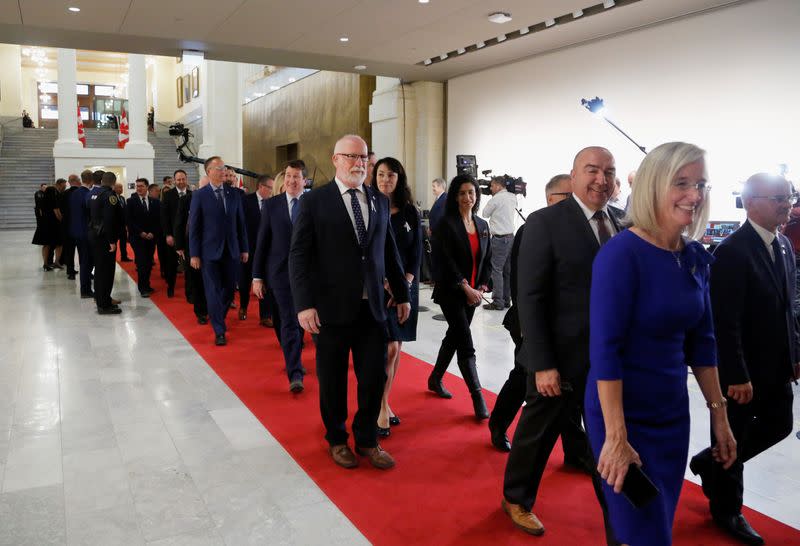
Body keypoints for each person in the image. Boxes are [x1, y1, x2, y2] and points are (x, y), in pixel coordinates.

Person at [587, 142, 737, 546]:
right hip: (621, 417)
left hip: (672, 415)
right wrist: (616, 438)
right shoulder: (621, 255)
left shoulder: (694, 257)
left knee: (657, 524)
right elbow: (606, 352)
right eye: (682, 183)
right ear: (654, 185)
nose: (695, 194)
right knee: (644, 533)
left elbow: (703, 344)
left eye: (701, 183)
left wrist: (719, 417)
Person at [501, 147, 621, 539]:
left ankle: (619, 515)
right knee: (538, 432)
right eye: (592, 171)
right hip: (560, 357)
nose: (600, 179)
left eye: (608, 172)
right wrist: (541, 363)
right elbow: (530, 297)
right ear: (573, 176)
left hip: (611, 361)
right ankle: (516, 497)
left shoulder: (623, 223)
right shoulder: (545, 223)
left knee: (610, 435)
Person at [690, 172, 800, 546]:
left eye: (789, 197)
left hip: (776, 366)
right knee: (733, 436)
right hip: (741, 373)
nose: (787, 204)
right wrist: (736, 374)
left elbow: (788, 309)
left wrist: (795, 352)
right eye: (778, 198)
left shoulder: (783, 244)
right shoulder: (733, 251)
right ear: (751, 202)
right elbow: (725, 323)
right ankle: (726, 511)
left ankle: (709, 462)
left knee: (779, 425)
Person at [289, 134, 410, 470]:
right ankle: (337, 439)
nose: (359, 163)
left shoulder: (379, 200)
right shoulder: (315, 202)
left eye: (364, 157)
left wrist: (401, 294)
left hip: (372, 309)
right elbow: (298, 255)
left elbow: (389, 252)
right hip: (330, 309)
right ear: (335, 160)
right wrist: (303, 304)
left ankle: (368, 439)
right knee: (333, 379)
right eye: (352, 157)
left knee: (373, 378)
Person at [489, 174, 594, 472]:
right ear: (551, 198)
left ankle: (576, 452)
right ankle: (498, 424)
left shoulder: (582, 230)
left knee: (568, 393)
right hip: (530, 327)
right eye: (567, 197)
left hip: (567, 335)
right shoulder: (535, 227)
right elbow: (523, 286)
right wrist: (528, 332)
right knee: (523, 380)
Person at [427, 174, 492, 419]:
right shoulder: (446, 224)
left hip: (474, 293)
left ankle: (435, 378)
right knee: (465, 340)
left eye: (472, 193)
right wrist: (464, 286)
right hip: (452, 291)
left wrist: (482, 286)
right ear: (455, 196)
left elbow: (486, 259)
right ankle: (477, 397)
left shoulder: (483, 225)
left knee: (454, 335)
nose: (468, 197)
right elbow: (444, 261)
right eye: (463, 193)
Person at [373, 156, 422, 436]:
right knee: (387, 349)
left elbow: (416, 253)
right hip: (380, 288)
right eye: (380, 175)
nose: (385, 180)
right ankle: (380, 405)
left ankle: (385, 401)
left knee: (397, 347)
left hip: (405, 288)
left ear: (399, 178)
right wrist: (386, 283)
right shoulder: (369, 208)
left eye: (391, 175)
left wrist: (404, 284)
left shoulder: (409, 211)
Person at [253, 162, 308, 392]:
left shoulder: (313, 204)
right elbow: (262, 242)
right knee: (288, 321)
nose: (291, 181)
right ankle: (294, 372)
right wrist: (257, 276)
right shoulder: (271, 205)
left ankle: (292, 353)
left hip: (307, 274)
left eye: (296, 177)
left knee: (301, 321)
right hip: (279, 273)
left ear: (304, 181)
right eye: (288, 176)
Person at [189, 156, 249, 346]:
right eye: (219, 168)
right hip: (209, 253)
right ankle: (219, 330)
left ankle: (217, 316)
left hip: (231, 250)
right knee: (213, 290)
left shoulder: (234, 194)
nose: (224, 170)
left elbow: (241, 224)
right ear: (209, 172)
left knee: (230, 290)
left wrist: (244, 248)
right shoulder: (200, 195)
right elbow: (195, 227)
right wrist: (194, 254)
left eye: (224, 167)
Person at [88, 171, 124, 314]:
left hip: (95, 235)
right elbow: (109, 220)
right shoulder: (110, 196)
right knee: (106, 271)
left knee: (99, 270)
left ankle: (102, 298)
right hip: (104, 238)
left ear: (102, 181)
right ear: (113, 182)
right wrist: (111, 241)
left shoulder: (94, 194)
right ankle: (104, 305)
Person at [240, 174, 274, 325]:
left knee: (264, 280)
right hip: (249, 249)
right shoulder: (246, 201)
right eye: (270, 188)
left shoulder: (273, 203)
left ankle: (265, 315)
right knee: (245, 280)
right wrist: (243, 248)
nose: (272, 192)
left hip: (267, 250)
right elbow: (240, 226)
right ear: (261, 187)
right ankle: (243, 306)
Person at [481, 176, 517, 310]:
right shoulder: (512, 197)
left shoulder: (496, 199)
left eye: (492, 186)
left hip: (500, 239)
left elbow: (485, 213)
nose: (490, 189)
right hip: (510, 237)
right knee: (507, 271)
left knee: (496, 270)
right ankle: (506, 300)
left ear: (497, 185)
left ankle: (497, 302)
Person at [175, 176, 207, 325]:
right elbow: (180, 223)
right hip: (193, 246)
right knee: (196, 279)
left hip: (213, 247)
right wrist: (179, 246)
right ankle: (200, 311)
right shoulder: (186, 200)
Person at [126, 178, 160, 298]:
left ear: (147, 187)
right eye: (137, 186)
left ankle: (147, 284)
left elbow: (158, 220)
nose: (139, 188)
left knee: (148, 262)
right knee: (141, 263)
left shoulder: (155, 202)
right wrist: (141, 232)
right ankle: (143, 288)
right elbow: (129, 220)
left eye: (141, 186)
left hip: (151, 238)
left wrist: (152, 232)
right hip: (137, 238)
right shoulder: (130, 201)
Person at [160, 169, 190, 297]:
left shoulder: (193, 194)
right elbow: (164, 217)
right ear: (174, 181)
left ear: (186, 179)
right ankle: (170, 287)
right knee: (171, 264)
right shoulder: (168, 195)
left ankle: (190, 291)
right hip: (173, 236)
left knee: (189, 266)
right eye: (178, 179)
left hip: (189, 236)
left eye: (183, 179)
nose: (181, 182)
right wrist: (168, 234)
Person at [70, 170, 94, 297]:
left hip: (76, 231)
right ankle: (85, 290)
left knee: (83, 260)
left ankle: (85, 288)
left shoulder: (74, 193)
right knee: (86, 262)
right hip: (86, 232)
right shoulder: (88, 194)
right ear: (91, 180)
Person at [32, 182, 63, 271]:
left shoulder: (42, 200)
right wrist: (62, 221)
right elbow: (57, 213)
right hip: (54, 225)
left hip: (44, 225)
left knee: (46, 245)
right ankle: (56, 262)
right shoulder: (54, 200)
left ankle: (45, 263)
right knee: (59, 244)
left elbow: (40, 212)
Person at [60, 174, 81, 279]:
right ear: (77, 181)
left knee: (69, 250)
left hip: (67, 226)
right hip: (80, 226)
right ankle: (86, 271)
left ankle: (70, 271)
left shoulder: (64, 193)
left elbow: (61, 210)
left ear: (69, 182)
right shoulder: (81, 192)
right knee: (82, 251)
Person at [114, 183, 132, 262]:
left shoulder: (122, 198)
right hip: (115, 225)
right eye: (119, 187)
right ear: (114, 188)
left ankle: (124, 256)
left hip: (123, 225)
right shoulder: (112, 198)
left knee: (123, 242)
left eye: (121, 187)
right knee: (114, 242)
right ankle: (113, 257)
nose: (121, 189)